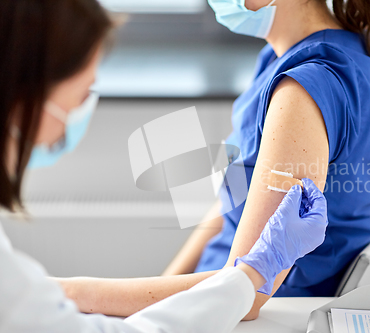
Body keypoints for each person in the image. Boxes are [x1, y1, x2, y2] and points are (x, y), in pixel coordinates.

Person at [57, 0, 370, 320]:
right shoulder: (307, 55)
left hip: (237, 312)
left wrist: (71, 294)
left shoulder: (305, 88)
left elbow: (248, 291)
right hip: (205, 294)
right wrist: (159, 293)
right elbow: (237, 201)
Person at [0, 0, 328, 332]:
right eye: (81, 95)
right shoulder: (285, 66)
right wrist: (255, 270)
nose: (81, 111)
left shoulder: (302, 81)